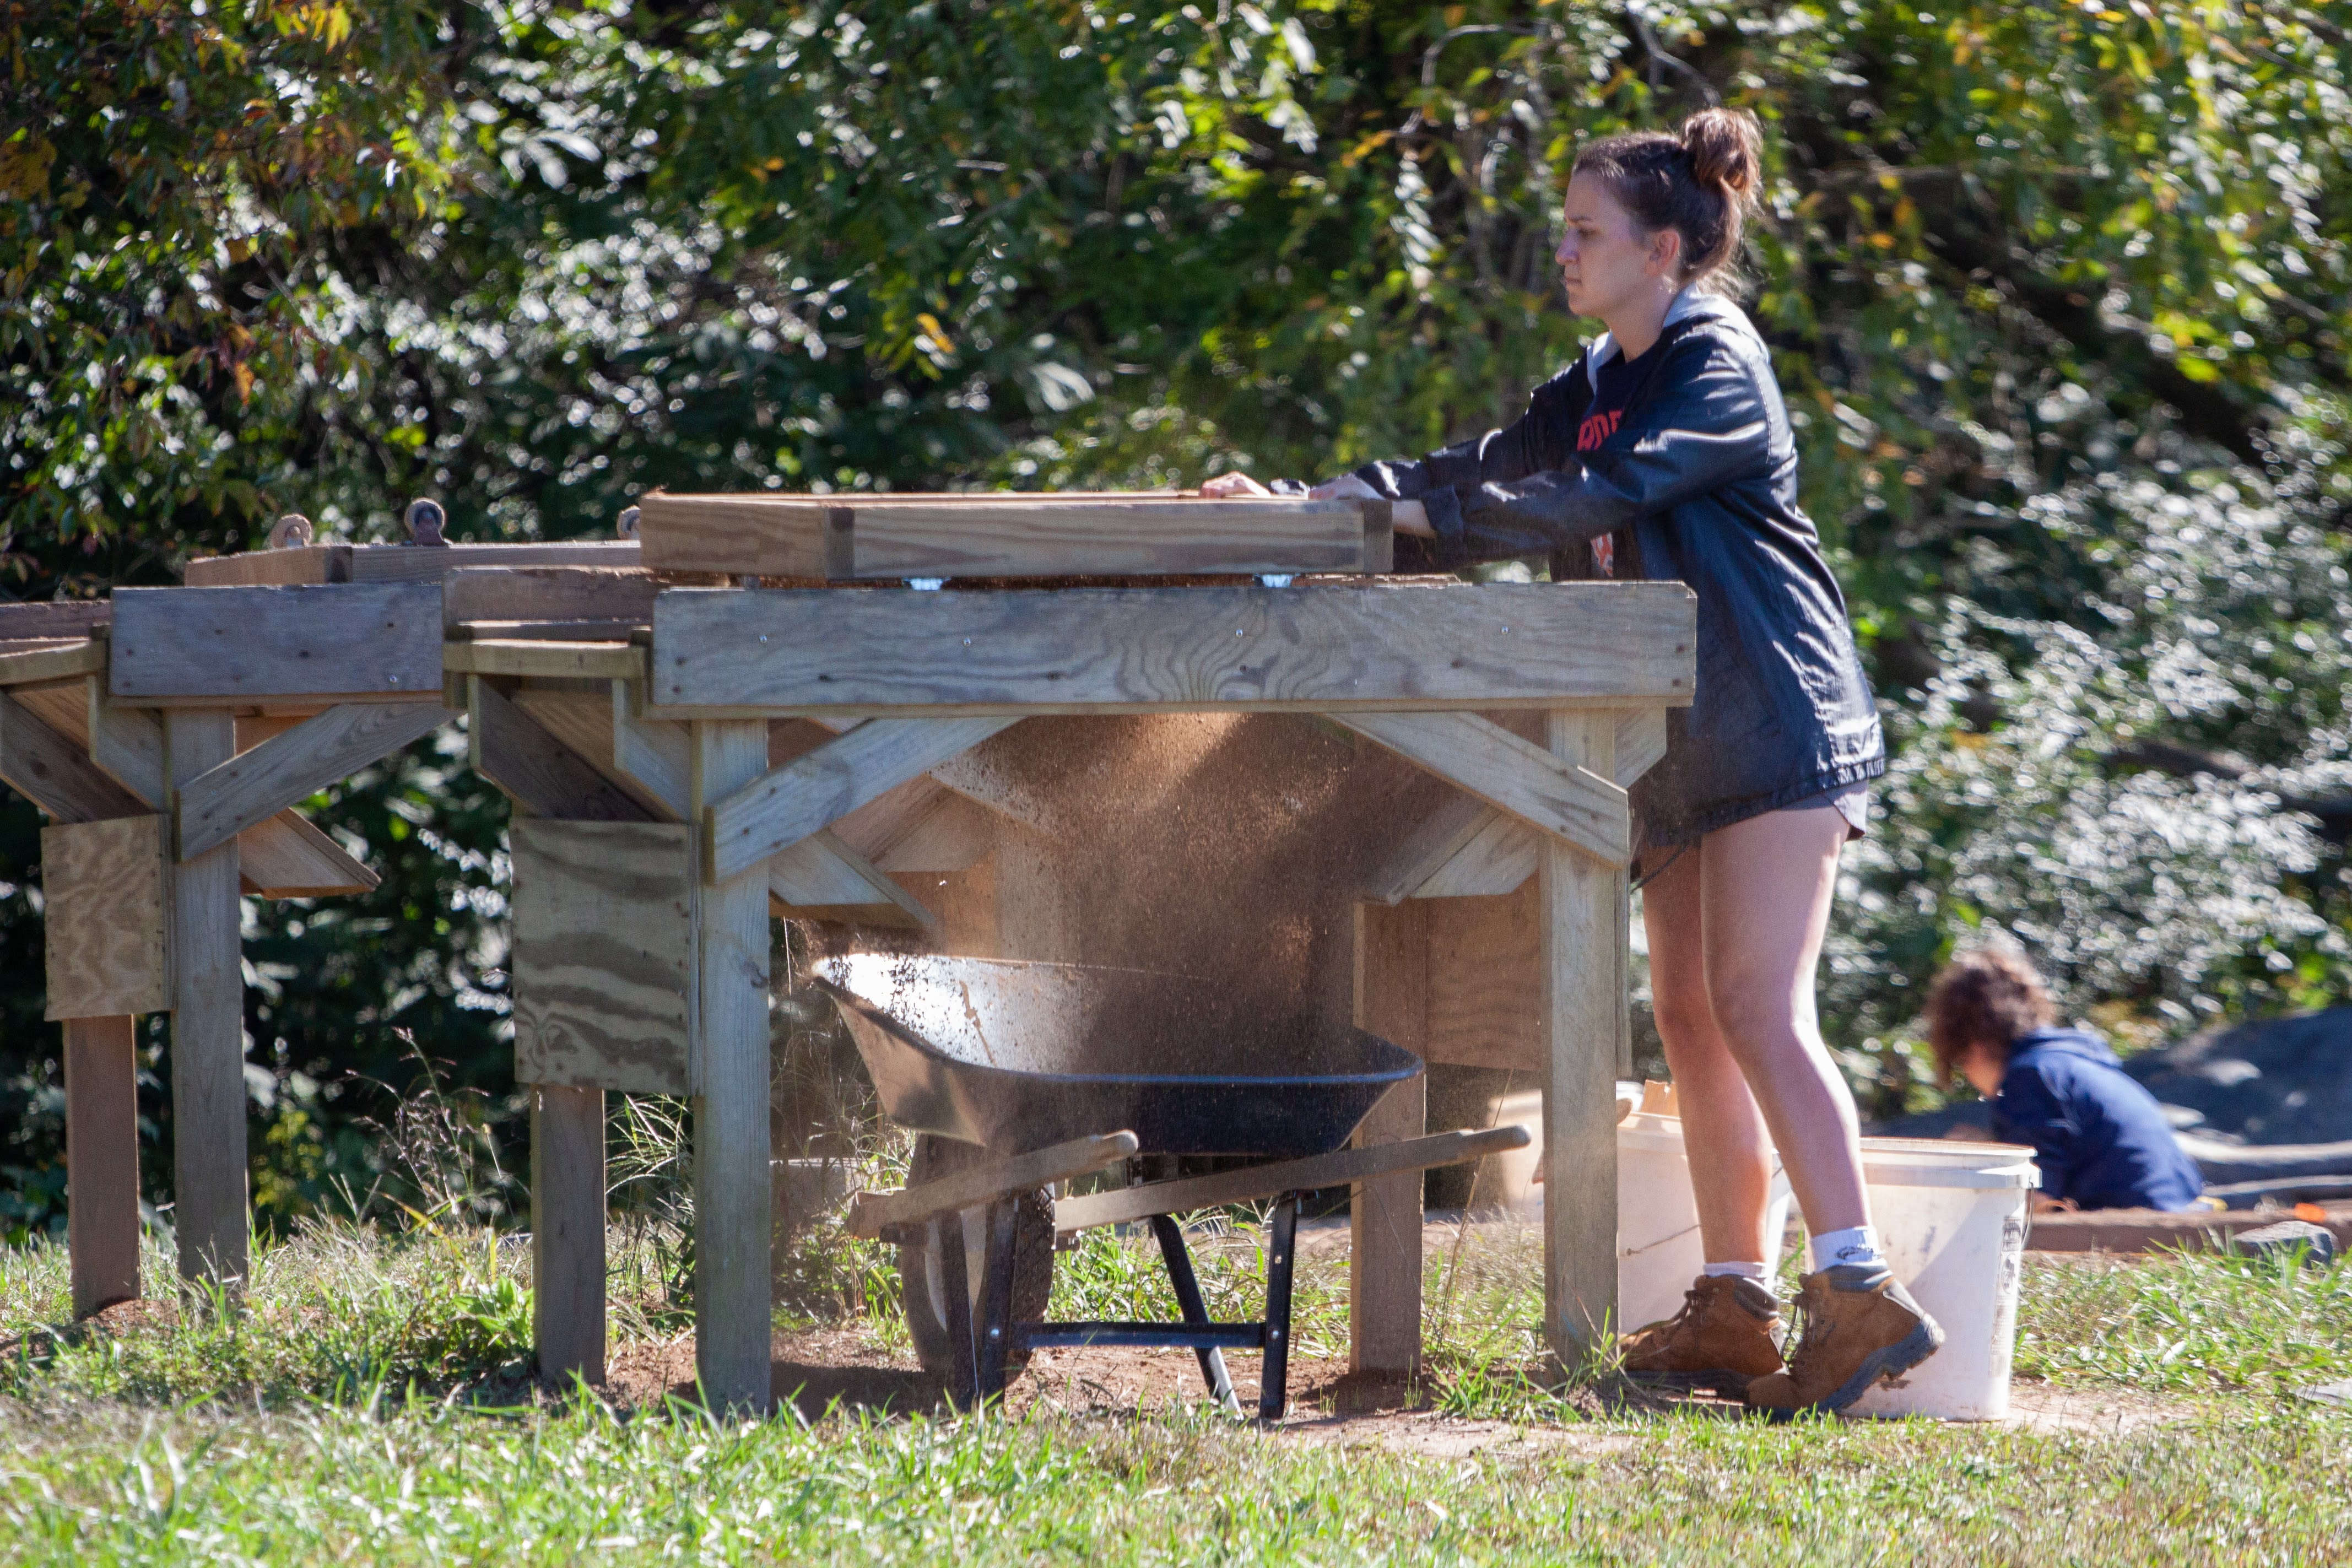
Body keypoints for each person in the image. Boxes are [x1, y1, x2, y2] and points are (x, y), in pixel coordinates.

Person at [1205, 107, 1939, 1415]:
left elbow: (1588, 500)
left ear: (1660, 249)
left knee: (1759, 1006)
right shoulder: (1593, 378)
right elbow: (1479, 469)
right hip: (1660, 741)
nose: (1561, 250)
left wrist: (1420, 516)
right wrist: (1317, 507)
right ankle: (1735, 1301)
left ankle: (1857, 1284)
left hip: (1772, 721)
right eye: (1562, 230)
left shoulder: (1715, 365)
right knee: (1692, 1023)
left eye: (1583, 232)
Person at [1926, 948, 2207, 1212]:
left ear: (1971, 1044)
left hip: (2141, 1232)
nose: (1971, 1079)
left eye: (1960, 1063)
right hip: (2184, 1214)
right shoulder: (2074, 1064)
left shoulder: (2030, 1077)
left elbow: (2033, 1202)